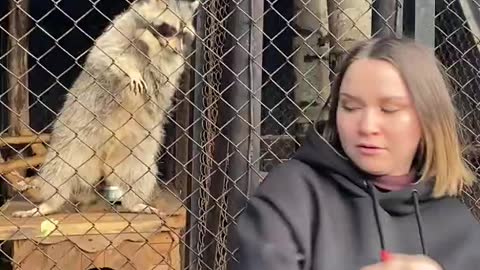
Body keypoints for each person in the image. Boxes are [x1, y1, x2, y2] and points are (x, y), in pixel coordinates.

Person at [232, 37, 480, 269]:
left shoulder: (458, 224)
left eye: (389, 109)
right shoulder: (291, 196)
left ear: (429, 118)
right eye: (350, 107)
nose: (367, 126)